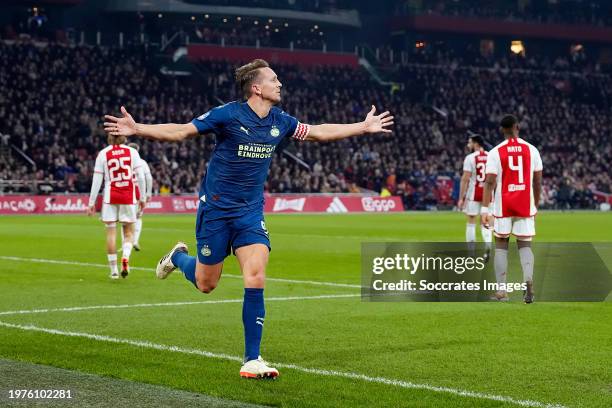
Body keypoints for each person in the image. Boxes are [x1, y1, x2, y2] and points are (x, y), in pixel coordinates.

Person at [103, 58, 394, 378]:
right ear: (257, 88)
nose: (279, 84)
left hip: (250, 212)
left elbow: (319, 132)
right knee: (205, 284)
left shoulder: (281, 120)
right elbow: (181, 132)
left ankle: (252, 359)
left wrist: (363, 126)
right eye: (274, 79)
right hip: (216, 211)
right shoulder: (228, 114)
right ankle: (179, 257)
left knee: (255, 276)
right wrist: (138, 128)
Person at [481, 115, 542, 303]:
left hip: (503, 205)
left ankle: (502, 291)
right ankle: (528, 281)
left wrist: (485, 209)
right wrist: (536, 204)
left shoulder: (495, 152)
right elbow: (537, 182)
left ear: (502, 130)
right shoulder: (532, 150)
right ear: (517, 127)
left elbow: (490, 181)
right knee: (525, 244)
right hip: (525, 204)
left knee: (501, 244)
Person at [87, 134, 146, 279]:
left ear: (109, 138)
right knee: (128, 233)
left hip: (110, 197)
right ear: (124, 138)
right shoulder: (132, 152)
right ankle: (125, 257)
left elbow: (97, 179)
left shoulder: (103, 153)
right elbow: (141, 176)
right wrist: (143, 197)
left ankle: (113, 271)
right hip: (128, 196)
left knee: (111, 234)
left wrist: (91, 203)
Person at [457, 135, 493, 257]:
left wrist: (461, 197)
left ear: (476, 144)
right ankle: (488, 246)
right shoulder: (491, 156)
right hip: (488, 194)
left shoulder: (470, 158)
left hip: (474, 193)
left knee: (471, 221)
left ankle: (471, 253)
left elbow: (465, 178)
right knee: (486, 221)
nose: (468, 145)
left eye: (470, 142)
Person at [122, 142, 153, 251]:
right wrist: (148, 193)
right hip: (139, 193)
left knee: (125, 219)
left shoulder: (123, 161)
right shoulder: (142, 162)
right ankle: (134, 241)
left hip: (126, 192)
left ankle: (125, 243)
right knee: (138, 217)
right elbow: (148, 178)